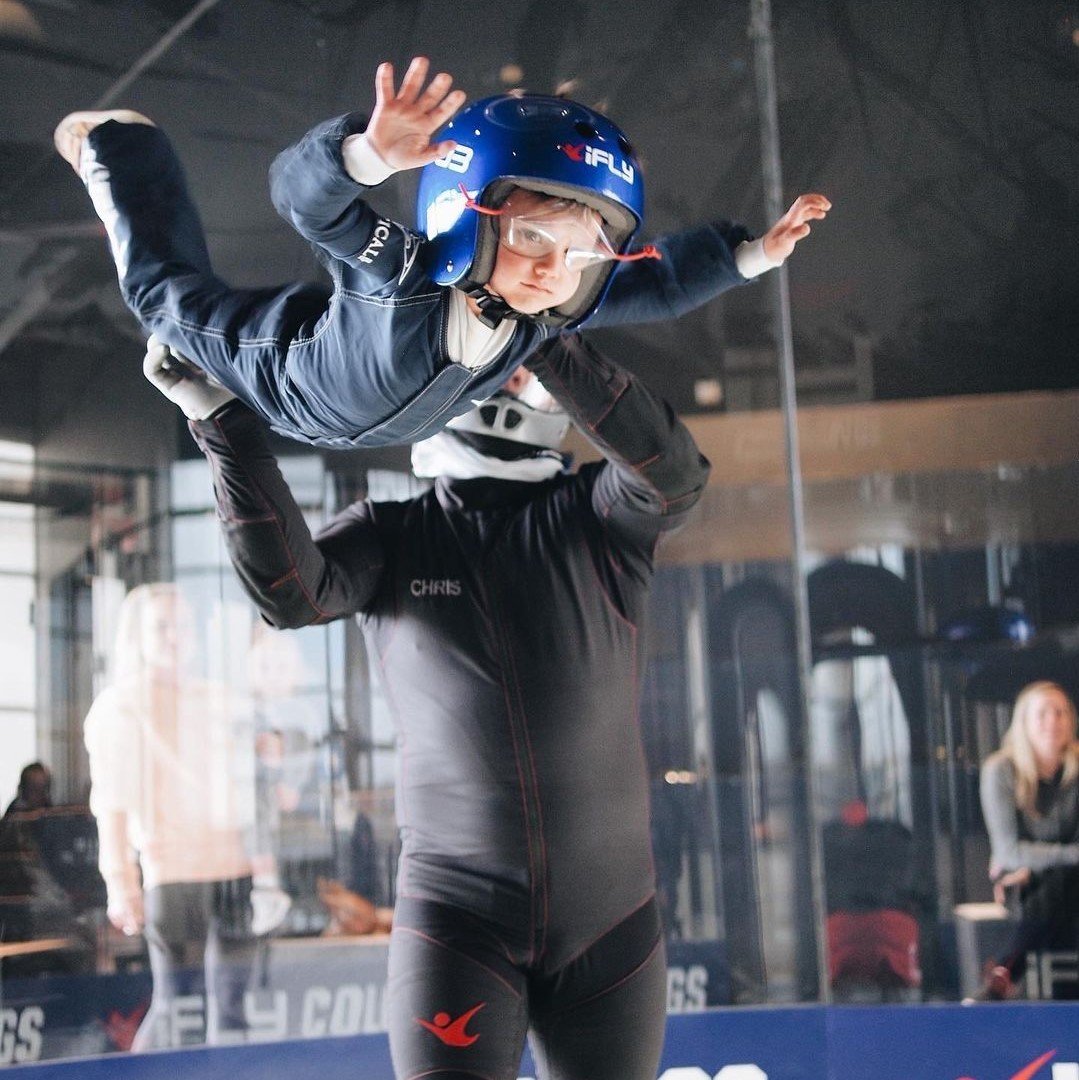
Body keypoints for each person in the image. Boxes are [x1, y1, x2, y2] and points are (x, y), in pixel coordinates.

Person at [144, 326, 709, 1080]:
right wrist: (222, 423)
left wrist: (540, 337)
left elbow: (673, 476)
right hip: (457, 919)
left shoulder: (598, 519)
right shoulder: (395, 533)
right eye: (493, 367)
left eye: (514, 372)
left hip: (610, 923)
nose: (507, 382)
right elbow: (290, 593)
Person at [55, 56, 829, 449]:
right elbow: (303, 203)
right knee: (163, 299)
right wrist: (363, 155)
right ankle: (120, 147)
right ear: (464, 214)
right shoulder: (405, 271)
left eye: (583, 254)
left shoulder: (542, 314)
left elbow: (653, 283)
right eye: (531, 237)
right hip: (287, 373)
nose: (552, 270)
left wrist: (749, 255)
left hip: (365, 401)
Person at [83, 583, 291, 1048]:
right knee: (178, 1009)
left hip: (234, 874)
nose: (176, 636)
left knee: (232, 1013)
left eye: (183, 625)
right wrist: (120, 883)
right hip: (173, 876)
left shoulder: (219, 698)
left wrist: (265, 871)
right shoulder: (120, 706)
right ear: (137, 635)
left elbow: (254, 782)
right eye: (162, 626)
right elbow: (111, 805)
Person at [971, 680, 1079, 1001]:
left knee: (1064, 882)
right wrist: (1066, 857)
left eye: (1060, 712)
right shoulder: (1001, 770)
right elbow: (1009, 851)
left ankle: (1005, 972)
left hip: (1056, 883)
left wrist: (1036, 862)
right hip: (1023, 888)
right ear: (1024, 722)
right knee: (1061, 885)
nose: (1052, 722)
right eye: (1042, 713)